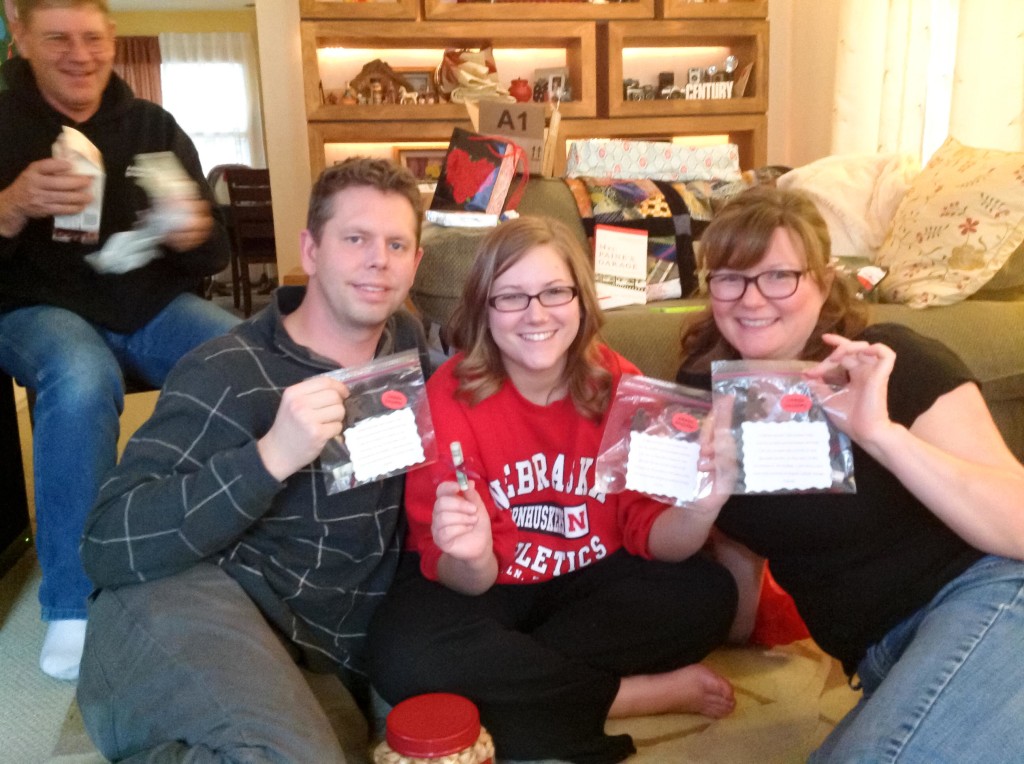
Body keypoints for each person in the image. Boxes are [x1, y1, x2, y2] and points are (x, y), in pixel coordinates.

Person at [76, 156, 429, 762]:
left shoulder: (413, 353)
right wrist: (267, 459)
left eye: (397, 244)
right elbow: (108, 542)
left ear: (416, 263)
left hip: (315, 647)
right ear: (311, 250)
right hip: (193, 593)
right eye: (355, 239)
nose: (379, 259)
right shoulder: (228, 370)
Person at [367, 217, 738, 764]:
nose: (536, 314)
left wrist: (699, 511)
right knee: (401, 656)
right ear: (483, 309)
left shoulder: (623, 385)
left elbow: (654, 537)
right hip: (487, 589)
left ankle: (520, 694)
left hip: (591, 583)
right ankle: (624, 697)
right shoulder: (446, 398)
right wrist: (470, 558)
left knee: (710, 595)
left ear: (581, 301)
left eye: (554, 292)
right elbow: (454, 570)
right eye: (511, 297)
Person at [674, 186, 1024, 761]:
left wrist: (881, 434)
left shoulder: (888, 360)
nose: (752, 298)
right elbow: (742, 565)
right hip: (884, 661)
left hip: (989, 599)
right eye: (730, 277)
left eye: (779, 276)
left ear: (822, 279)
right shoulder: (707, 397)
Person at [0, 0, 239, 681]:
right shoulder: (4, 124)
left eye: (93, 37)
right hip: (35, 308)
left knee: (243, 357)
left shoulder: (151, 126)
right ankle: (73, 601)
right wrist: (12, 204)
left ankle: (218, 546)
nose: (80, 54)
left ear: (111, 38)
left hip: (145, 302)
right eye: (58, 39)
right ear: (20, 38)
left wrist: (194, 230)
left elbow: (213, 250)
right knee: (80, 377)